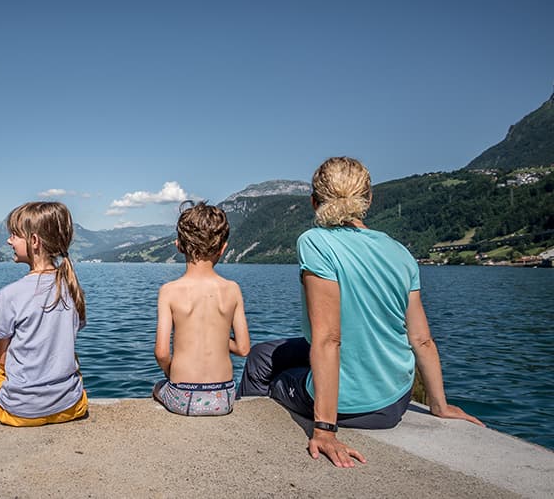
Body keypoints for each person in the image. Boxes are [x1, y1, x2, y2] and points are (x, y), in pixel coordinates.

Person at [237, 156, 484, 467]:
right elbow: (421, 340)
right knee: (261, 354)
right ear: (368, 199)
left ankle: (247, 441)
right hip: (395, 399)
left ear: (314, 201)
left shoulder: (315, 242)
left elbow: (328, 338)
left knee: (274, 378)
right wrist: (440, 405)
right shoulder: (400, 251)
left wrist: (325, 430)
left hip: (353, 406)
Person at [0, 201, 88, 426]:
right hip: (72, 406)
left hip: (21, 412)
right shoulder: (72, 288)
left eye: (14, 235)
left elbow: (2, 360)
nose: (8, 240)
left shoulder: (11, 294)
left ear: (34, 242)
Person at [153, 201, 251, 416]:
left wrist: (171, 373)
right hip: (224, 398)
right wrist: (216, 334)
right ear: (223, 248)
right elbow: (243, 349)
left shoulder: (169, 291)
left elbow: (161, 352)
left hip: (183, 397)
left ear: (178, 245)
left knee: (158, 387)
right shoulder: (233, 289)